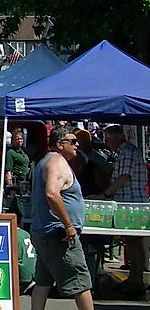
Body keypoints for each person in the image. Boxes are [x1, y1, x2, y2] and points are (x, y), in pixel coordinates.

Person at [30, 127, 93, 310]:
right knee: (81, 283)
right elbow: (52, 193)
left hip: (46, 233)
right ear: (59, 144)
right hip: (59, 234)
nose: (77, 145)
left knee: (43, 282)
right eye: (72, 141)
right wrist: (69, 226)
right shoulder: (56, 161)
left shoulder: (46, 161)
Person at [102, 125, 148, 296]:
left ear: (116, 137)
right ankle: (134, 279)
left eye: (107, 139)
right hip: (129, 203)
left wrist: (106, 193)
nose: (106, 143)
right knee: (132, 243)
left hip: (133, 204)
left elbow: (124, 176)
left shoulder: (127, 151)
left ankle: (137, 281)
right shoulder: (124, 151)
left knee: (135, 244)